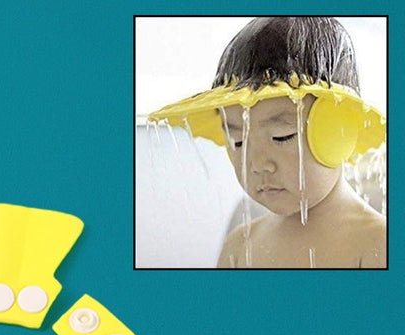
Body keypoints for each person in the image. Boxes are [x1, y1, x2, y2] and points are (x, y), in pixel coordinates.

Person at [151, 17, 386, 269]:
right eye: (238, 141)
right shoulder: (238, 247)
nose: (256, 164)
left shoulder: (379, 245)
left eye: (281, 136)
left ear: (342, 130)